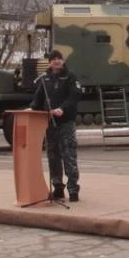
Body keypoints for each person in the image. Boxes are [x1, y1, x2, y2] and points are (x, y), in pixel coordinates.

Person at [32, 50, 82, 202]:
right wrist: (31, 108)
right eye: (53, 59)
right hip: (50, 124)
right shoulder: (45, 78)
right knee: (53, 156)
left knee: (69, 155)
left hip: (65, 122)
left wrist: (63, 108)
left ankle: (73, 189)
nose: (56, 61)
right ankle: (58, 187)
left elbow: (75, 95)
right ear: (49, 62)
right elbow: (38, 99)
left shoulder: (70, 76)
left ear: (63, 61)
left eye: (59, 59)